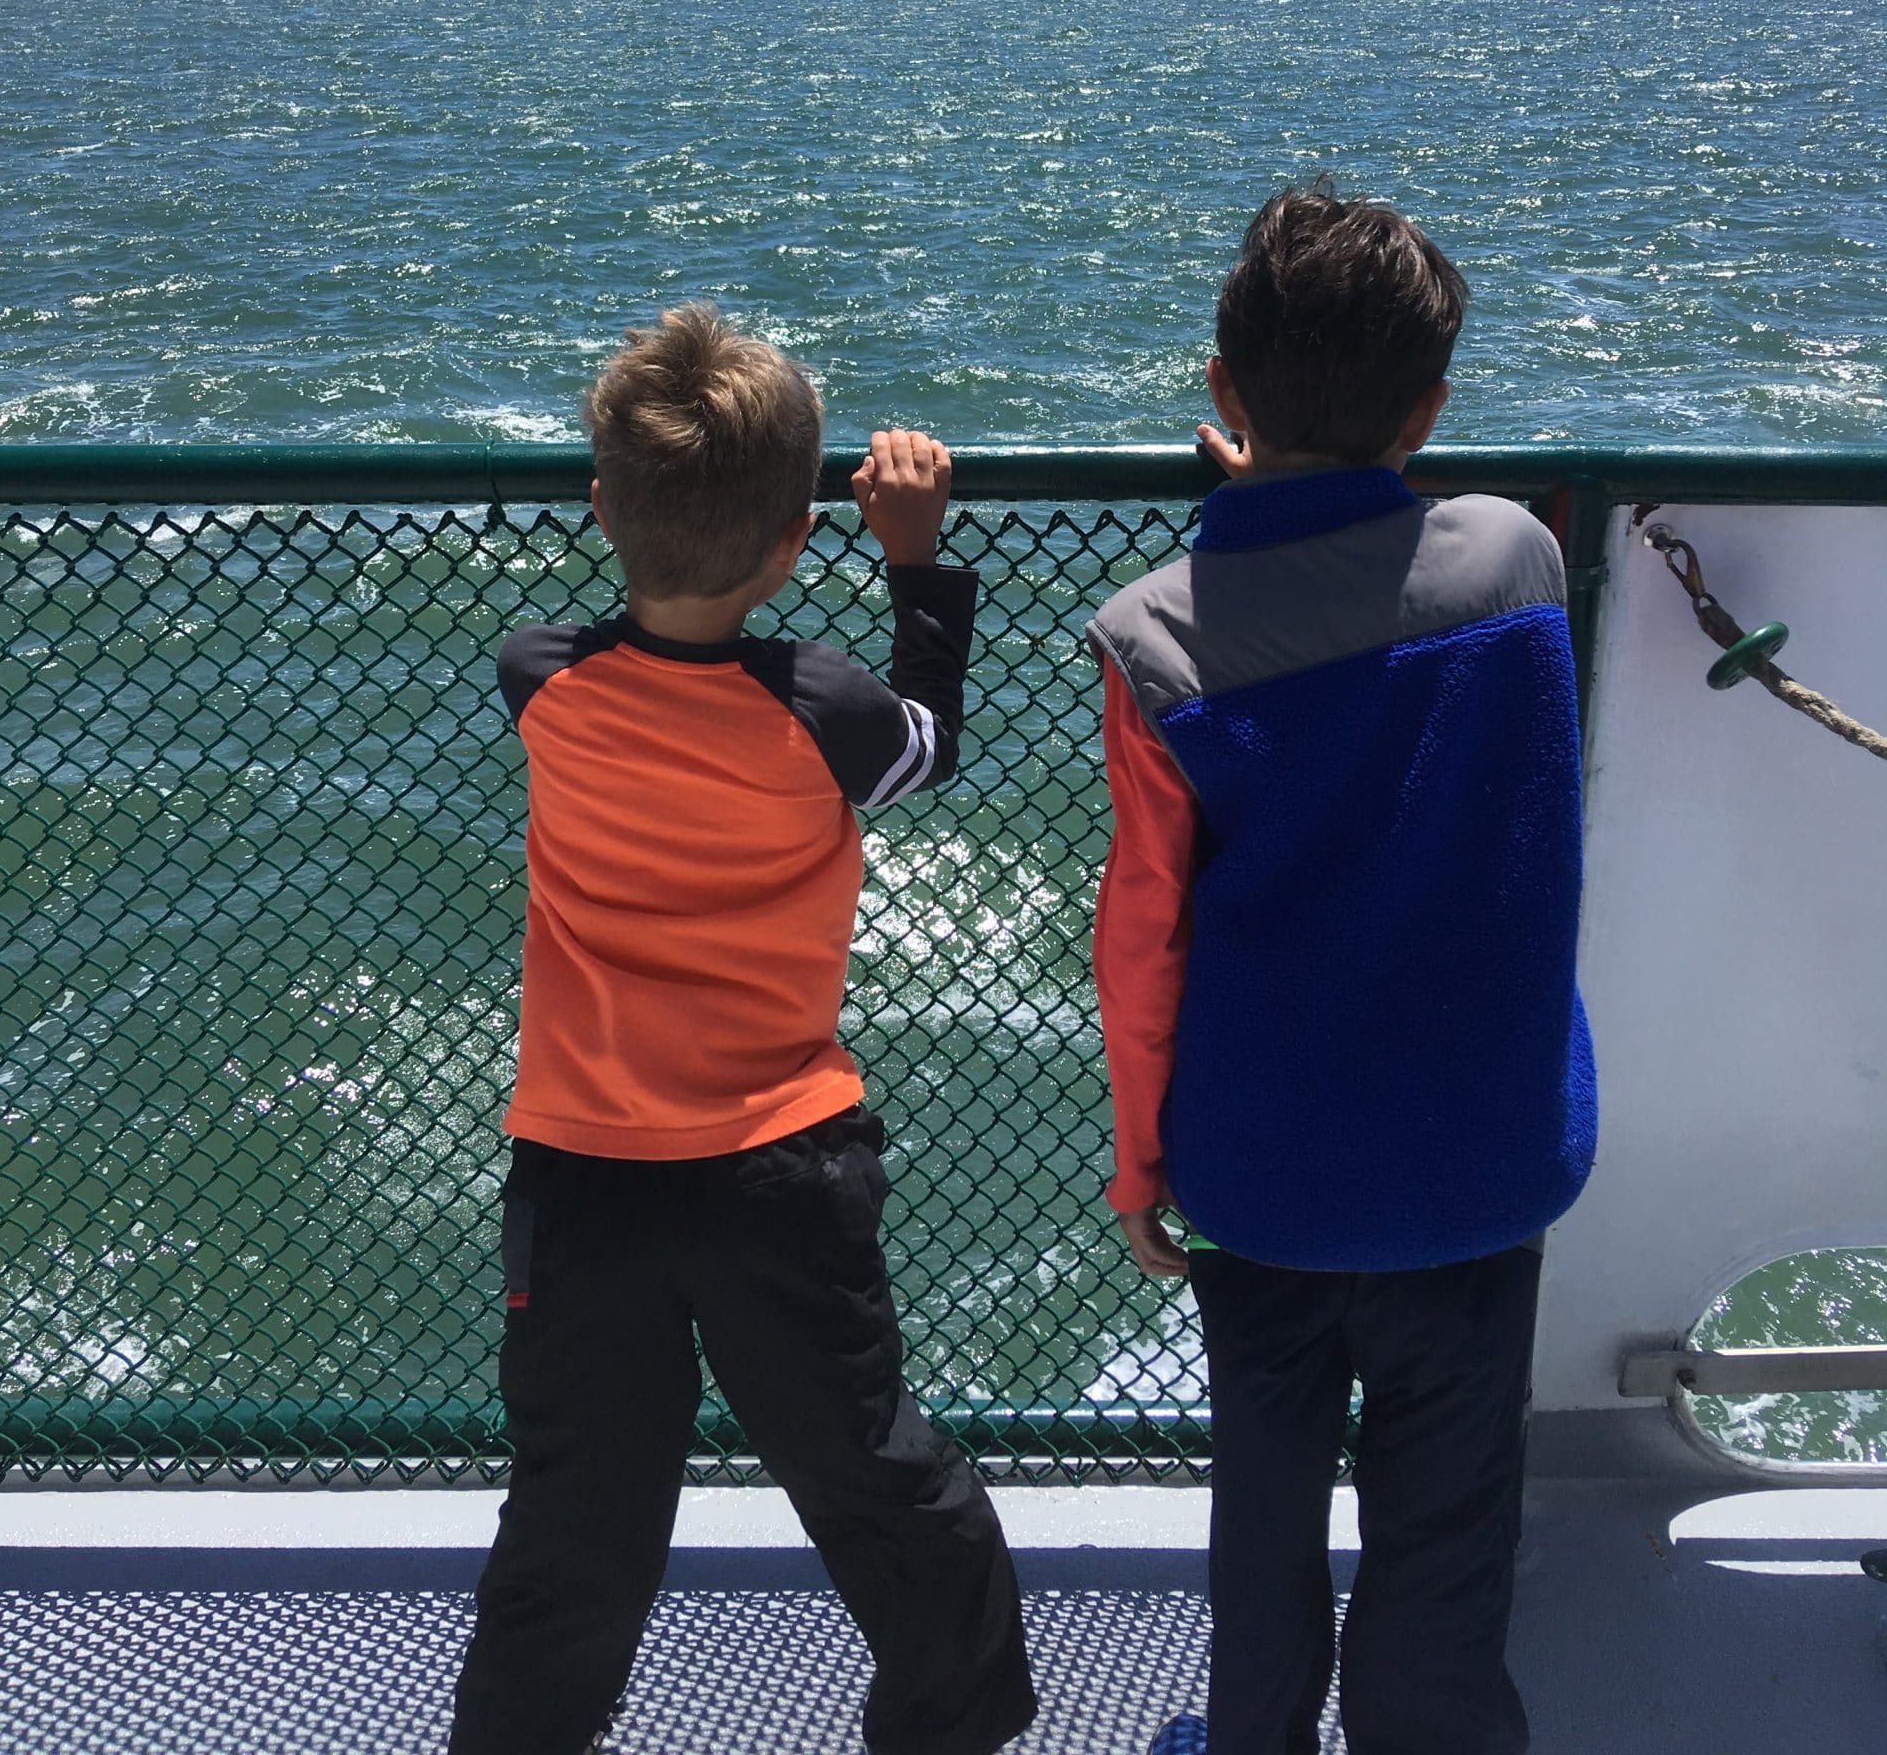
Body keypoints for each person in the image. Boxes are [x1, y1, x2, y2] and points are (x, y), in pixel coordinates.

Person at [448, 303, 1035, 1755]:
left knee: (576, 1527)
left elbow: (597, 637)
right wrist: (916, 563)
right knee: (884, 1489)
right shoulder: (824, 708)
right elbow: (928, 748)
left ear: (602, 509)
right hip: (779, 1167)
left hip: (580, 1177)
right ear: (794, 541)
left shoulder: (545, 680)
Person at [1087, 185, 1596, 1755]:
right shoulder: (1520, 563)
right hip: (1479, 1168)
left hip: (1269, 1180)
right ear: (1432, 410)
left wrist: (1139, 1173)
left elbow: (1145, 942)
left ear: (1224, 396)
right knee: (1449, 1531)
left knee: (1266, 1506)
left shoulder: (1151, 639)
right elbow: (1402, 591)